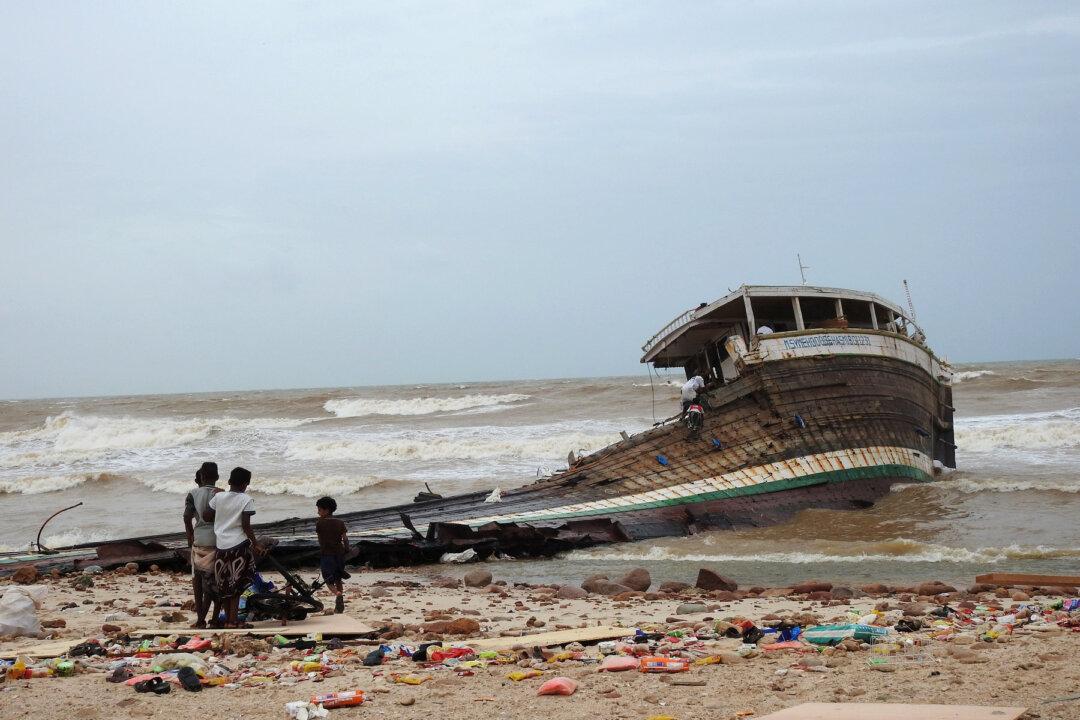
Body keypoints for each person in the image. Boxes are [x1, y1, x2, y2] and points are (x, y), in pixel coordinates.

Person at [203, 467, 262, 629]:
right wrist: (255, 543)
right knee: (237, 586)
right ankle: (233, 620)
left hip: (221, 546)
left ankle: (229, 619)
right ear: (246, 484)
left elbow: (206, 516)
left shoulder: (219, 497)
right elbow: (246, 526)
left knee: (225, 585)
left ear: (229, 481)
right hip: (239, 546)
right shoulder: (246, 500)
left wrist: (217, 502)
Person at [183, 461, 220, 629]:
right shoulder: (220, 493)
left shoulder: (192, 494)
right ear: (218, 477)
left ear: (201, 476)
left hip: (199, 540)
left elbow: (186, 517)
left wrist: (190, 535)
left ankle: (200, 618)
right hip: (218, 539)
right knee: (216, 581)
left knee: (198, 581)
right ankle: (214, 618)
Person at [315, 497, 350, 613]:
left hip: (327, 555)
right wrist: (347, 549)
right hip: (339, 554)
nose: (318, 512)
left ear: (326, 510)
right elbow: (345, 539)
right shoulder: (340, 522)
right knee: (338, 578)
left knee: (328, 580)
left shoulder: (319, 523)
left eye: (319, 510)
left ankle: (337, 593)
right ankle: (339, 599)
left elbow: (320, 540)